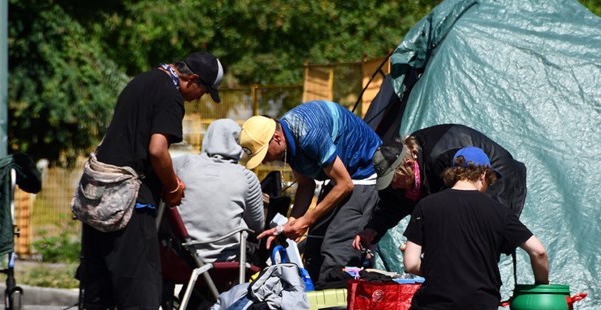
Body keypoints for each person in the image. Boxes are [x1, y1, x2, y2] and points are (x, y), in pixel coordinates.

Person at [76, 51, 224, 310]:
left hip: (99, 187)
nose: (199, 99)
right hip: (131, 191)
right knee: (135, 264)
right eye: (202, 91)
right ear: (192, 79)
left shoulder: (141, 81)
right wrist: (172, 187)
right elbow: (157, 150)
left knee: (98, 262)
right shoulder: (170, 95)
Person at [396, 147, 549, 310]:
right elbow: (539, 251)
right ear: (484, 174)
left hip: (436, 302)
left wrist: (435, 270)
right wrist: (542, 285)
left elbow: (411, 264)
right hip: (482, 303)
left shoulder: (427, 205)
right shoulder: (499, 211)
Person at [239, 100, 381, 289]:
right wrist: (291, 224)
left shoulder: (307, 134)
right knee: (313, 253)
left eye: (264, 154)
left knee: (334, 253)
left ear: (277, 138)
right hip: (341, 178)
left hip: (365, 177)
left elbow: (345, 184)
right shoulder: (288, 143)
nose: (264, 161)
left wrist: (306, 221)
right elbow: (306, 185)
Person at [354, 123, 528, 253]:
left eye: (394, 179)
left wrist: (420, 241)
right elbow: (392, 205)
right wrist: (372, 229)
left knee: (476, 239)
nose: (393, 185)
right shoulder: (400, 175)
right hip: (455, 191)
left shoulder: (440, 159)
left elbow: (453, 208)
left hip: (495, 178)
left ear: (408, 164)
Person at [173, 118, 265, 266]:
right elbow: (256, 227)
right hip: (225, 263)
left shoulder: (181, 165)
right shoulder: (247, 177)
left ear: (208, 137)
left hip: (179, 259)